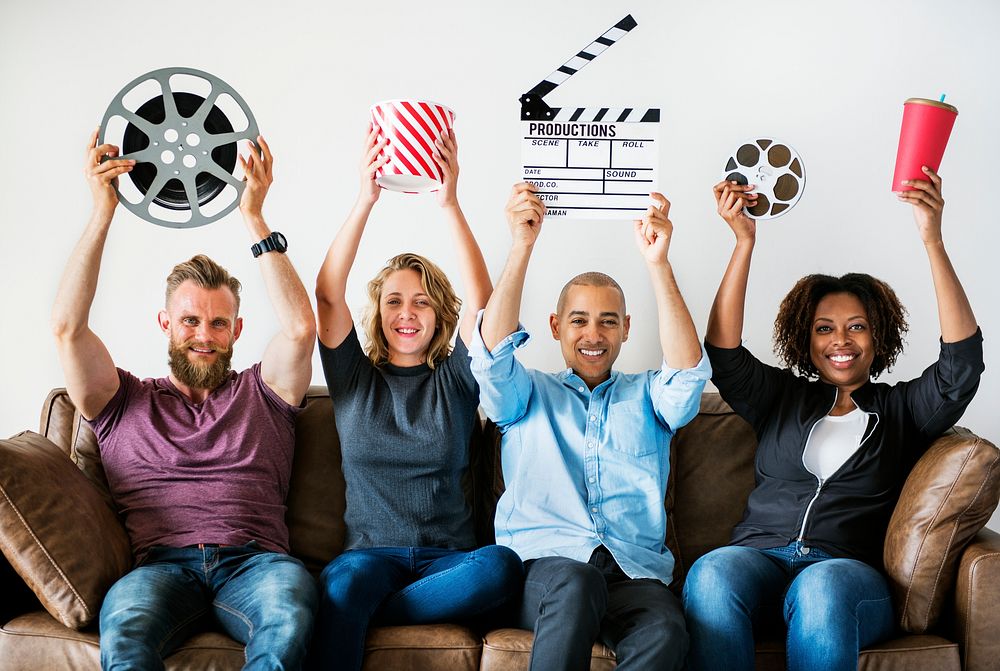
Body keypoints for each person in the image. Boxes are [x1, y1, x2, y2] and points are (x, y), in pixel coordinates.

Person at [682, 168, 984, 671]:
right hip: (759, 559)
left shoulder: (903, 409)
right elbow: (724, 352)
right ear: (807, 338)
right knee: (712, 572)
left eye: (856, 327)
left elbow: (961, 367)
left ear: (878, 336)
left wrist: (932, 239)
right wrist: (743, 242)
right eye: (825, 329)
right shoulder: (781, 398)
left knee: (820, 585)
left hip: (844, 573)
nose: (840, 341)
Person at [51, 131, 318, 670]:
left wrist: (255, 218)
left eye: (219, 323)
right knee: (125, 637)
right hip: (159, 569)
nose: (204, 334)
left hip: (256, 565)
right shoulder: (120, 401)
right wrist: (103, 213)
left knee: (290, 616)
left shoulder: (262, 394)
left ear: (237, 330)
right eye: (190, 321)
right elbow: (66, 327)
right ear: (166, 324)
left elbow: (299, 327)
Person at [469, 183, 711, 671]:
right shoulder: (526, 394)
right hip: (545, 573)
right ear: (556, 327)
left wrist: (658, 263)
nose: (594, 335)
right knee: (577, 583)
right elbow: (491, 354)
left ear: (626, 328)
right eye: (579, 320)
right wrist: (521, 245)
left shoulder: (649, 397)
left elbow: (686, 374)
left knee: (667, 631)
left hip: (632, 576)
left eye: (608, 321)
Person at [310, 126, 523, 670]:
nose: (407, 314)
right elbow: (328, 293)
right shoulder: (354, 377)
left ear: (439, 316)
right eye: (395, 301)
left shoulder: (456, 377)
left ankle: (377, 612)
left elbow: (485, 301)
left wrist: (449, 203)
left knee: (501, 566)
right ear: (378, 312)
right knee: (345, 582)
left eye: (422, 303)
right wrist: (365, 198)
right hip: (367, 561)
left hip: (448, 566)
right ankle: (368, 603)